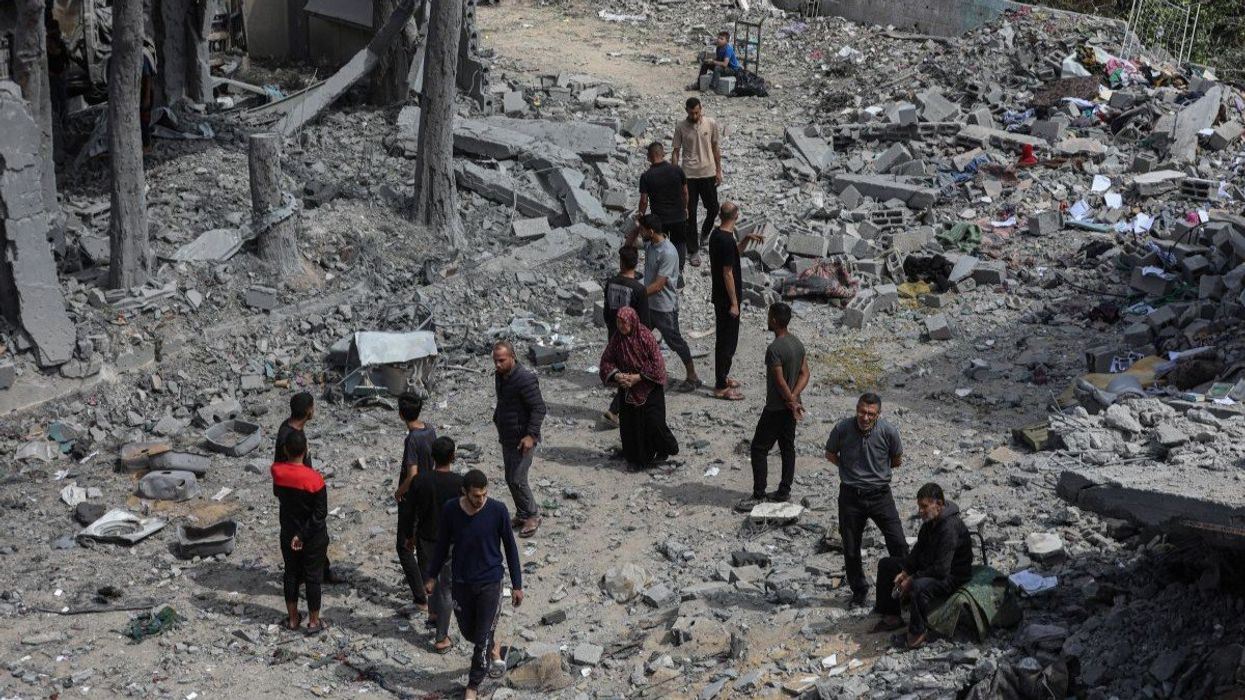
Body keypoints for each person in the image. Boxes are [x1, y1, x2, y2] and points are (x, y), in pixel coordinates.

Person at [424, 470, 524, 700]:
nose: (480, 500)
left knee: (480, 639)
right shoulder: (451, 510)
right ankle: (492, 646)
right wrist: (431, 577)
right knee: (470, 632)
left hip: (491, 582)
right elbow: (441, 546)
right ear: (465, 492)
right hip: (462, 582)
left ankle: (473, 686)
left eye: (484, 494)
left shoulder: (497, 510)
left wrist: (517, 584)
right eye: (476, 496)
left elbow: (510, 547)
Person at [825, 392, 909, 607]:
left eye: (871, 413)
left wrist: (876, 473)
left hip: (880, 495)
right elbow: (831, 453)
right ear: (856, 409)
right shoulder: (842, 429)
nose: (865, 417)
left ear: (878, 414)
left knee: (898, 542)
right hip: (851, 496)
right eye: (862, 411)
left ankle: (905, 585)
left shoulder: (888, 431)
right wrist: (850, 471)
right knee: (851, 547)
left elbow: (896, 459)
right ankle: (859, 590)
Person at [873, 483, 973, 650]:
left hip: (952, 575)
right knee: (887, 565)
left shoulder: (949, 528)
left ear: (939, 505)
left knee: (918, 586)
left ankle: (917, 633)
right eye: (920, 506)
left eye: (924, 507)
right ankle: (891, 615)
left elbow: (941, 570)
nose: (920, 511)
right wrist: (905, 571)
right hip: (932, 564)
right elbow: (918, 550)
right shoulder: (930, 522)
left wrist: (912, 578)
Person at [735, 302, 809, 511]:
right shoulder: (797, 344)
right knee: (787, 448)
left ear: (774, 320)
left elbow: (779, 381)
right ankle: (784, 490)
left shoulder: (774, 349)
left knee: (759, 448)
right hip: (791, 407)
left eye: (769, 317)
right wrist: (795, 399)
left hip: (777, 408)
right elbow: (805, 373)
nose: (767, 320)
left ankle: (759, 494)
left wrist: (790, 400)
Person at [599, 307, 680, 470]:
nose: (621, 326)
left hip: (648, 387)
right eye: (619, 322)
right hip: (627, 387)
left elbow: (657, 365)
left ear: (633, 322)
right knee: (631, 426)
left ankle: (666, 448)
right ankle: (637, 459)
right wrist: (617, 376)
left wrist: (638, 377)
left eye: (624, 322)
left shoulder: (645, 336)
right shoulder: (617, 339)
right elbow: (607, 361)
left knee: (653, 422)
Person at [275, 392, 342, 584]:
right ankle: (305, 577)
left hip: (303, 490)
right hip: (298, 494)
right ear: (308, 411)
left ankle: (321, 570)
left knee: (316, 533)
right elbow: (283, 469)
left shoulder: (292, 429)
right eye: (313, 407)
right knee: (307, 533)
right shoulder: (288, 436)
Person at [271, 431, 329, 633]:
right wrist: (303, 535)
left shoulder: (277, 472)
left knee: (291, 573)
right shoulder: (315, 479)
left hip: (288, 531)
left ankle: (293, 619)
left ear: (285, 450)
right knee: (313, 577)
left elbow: (278, 493)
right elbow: (320, 513)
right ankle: (314, 622)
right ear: (305, 451)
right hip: (312, 535)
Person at [637, 213, 701, 391]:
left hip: (664, 307)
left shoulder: (668, 252)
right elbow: (628, 244)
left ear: (650, 231)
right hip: (650, 305)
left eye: (642, 229)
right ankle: (643, 374)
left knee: (675, 342)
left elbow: (658, 285)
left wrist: (636, 295)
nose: (640, 232)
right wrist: (637, 226)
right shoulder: (651, 244)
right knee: (639, 338)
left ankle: (692, 376)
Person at [411, 436, 464, 652]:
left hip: (425, 537)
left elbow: (410, 512)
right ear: (453, 456)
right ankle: (442, 637)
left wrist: (408, 535)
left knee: (429, 577)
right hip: (450, 542)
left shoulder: (420, 480)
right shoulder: (460, 483)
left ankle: (433, 614)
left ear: (432, 457)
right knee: (445, 588)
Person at [707, 202, 763, 400]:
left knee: (725, 339)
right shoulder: (725, 240)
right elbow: (728, 272)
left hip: (719, 296)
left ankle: (723, 376)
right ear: (736, 216)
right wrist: (734, 303)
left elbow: (732, 256)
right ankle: (721, 386)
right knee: (727, 341)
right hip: (726, 299)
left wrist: (746, 239)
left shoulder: (717, 235)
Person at [492, 341, 546, 538]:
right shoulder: (501, 376)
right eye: (495, 361)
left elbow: (539, 408)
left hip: (523, 439)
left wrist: (531, 435)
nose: (497, 365)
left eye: (501, 360)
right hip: (508, 436)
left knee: (518, 478)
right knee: (509, 478)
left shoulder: (524, 379)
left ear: (512, 357)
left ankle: (533, 514)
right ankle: (523, 513)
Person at [393, 393, 436, 615]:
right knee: (422, 542)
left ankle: (420, 598)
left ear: (401, 414)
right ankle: (428, 587)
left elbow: (412, 474)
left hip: (414, 498)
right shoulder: (429, 429)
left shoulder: (412, 439)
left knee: (404, 546)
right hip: (430, 494)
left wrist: (398, 492)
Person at [602, 245, 651, 426]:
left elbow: (607, 312)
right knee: (634, 376)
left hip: (614, 334)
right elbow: (644, 321)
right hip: (631, 339)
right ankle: (615, 410)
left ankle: (620, 410)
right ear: (636, 263)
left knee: (625, 374)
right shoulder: (639, 289)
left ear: (621, 262)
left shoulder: (610, 283)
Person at [671, 98, 722, 267]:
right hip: (689, 175)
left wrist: (719, 170)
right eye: (691, 112)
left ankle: (705, 234)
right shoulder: (680, 127)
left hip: (708, 173)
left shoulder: (710, 123)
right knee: (690, 213)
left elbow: (715, 147)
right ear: (686, 110)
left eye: (697, 112)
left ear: (701, 110)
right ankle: (693, 250)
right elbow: (676, 151)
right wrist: (674, 173)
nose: (694, 115)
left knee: (714, 208)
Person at [637, 142, 691, 274]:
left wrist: (641, 216)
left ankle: (662, 270)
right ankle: (679, 270)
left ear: (649, 157)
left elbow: (644, 200)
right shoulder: (677, 170)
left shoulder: (646, 176)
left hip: (660, 219)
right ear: (663, 154)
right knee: (679, 243)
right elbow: (685, 192)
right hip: (679, 216)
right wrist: (685, 208)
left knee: (660, 244)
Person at [46, 20, 70, 135]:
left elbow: (67, 62)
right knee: (54, 103)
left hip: (60, 77)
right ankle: (57, 127)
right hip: (52, 78)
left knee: (63, 102)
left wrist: (64, 72)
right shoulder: (46, 47)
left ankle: (65, 125)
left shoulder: (61, 45)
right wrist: (50, 73)